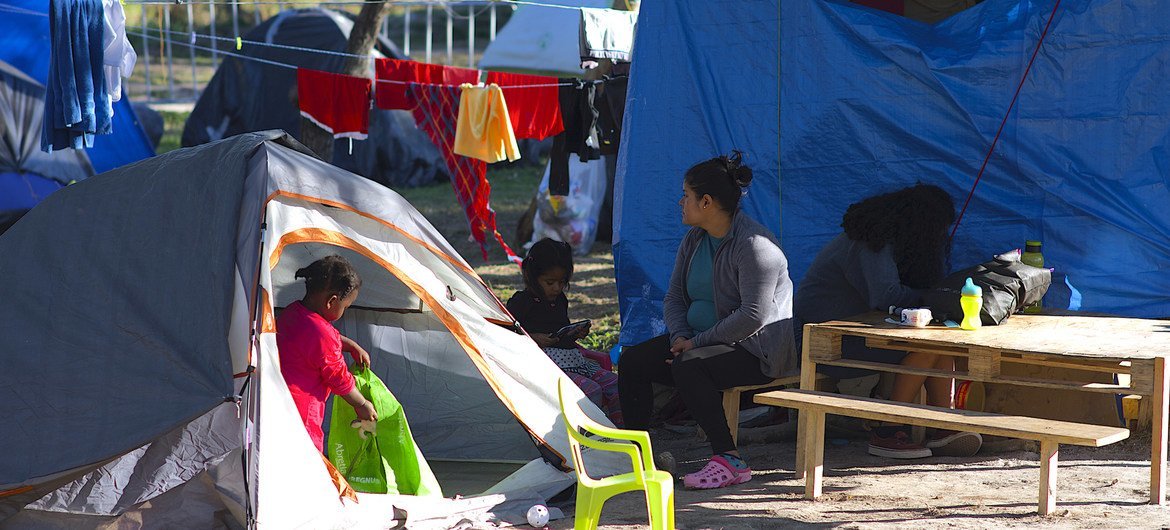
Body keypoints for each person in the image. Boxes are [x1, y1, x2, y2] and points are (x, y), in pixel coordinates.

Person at [617, 151, 797, 490]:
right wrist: (680, 336)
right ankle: (637, 455)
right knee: (633, 361)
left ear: (707, 202)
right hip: (697, 341)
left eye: (686, 195)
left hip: (755, 351)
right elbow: (674, 297)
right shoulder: (694, 240)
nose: (680, 202)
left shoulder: (755, 246)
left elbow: (752, 316)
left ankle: (729, 460)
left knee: (688, 365)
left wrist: (694, 344)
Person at [793, 183, 982, 459]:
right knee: (926, 347)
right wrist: (936, 297)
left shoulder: (883, 241)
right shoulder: (869, 243)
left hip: (848, 333)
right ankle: (888, 430)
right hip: (822, 343)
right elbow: (887, 296)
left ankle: (943, 426)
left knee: (942, 344)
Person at [507, 238, 623, 426]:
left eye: (562, 282)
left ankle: (619, 432)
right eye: (550, 282)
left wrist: (574, 333)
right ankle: (591, 439)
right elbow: (506, 332)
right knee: (591, 391)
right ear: (532, 276)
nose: (557, 288)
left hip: (575, 360)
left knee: (616, 385)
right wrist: (532, 338)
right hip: (547, 368)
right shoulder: (522, 302)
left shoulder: (560, 300)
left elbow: (560, 329)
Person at [277, 254, 377, 453]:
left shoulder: (292, 312)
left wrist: (348, 345)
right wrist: (361, 404)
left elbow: (314, 340)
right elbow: (338, 377)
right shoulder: (321, 334)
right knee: (307, 455)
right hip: (303, 409)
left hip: (279, 400)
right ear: (331, 301)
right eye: (346, 306)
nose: (345, 311)